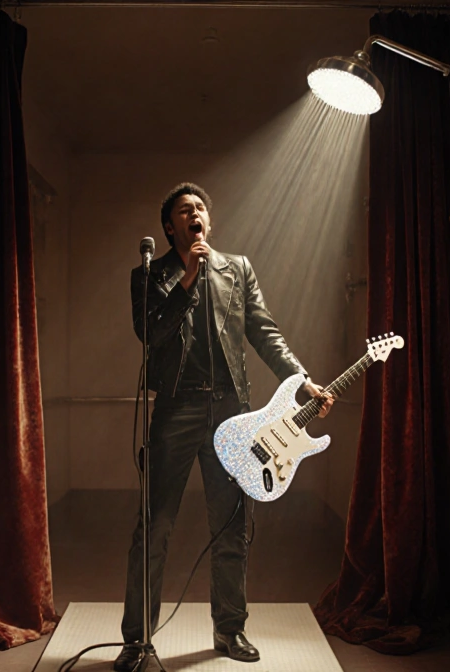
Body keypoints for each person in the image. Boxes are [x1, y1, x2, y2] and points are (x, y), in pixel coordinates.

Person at [114, 183, 333, 671]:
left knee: (232, 527)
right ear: (170, 228)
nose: (194, 215)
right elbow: (149, 333)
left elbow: (264, 330)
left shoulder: (238, 269)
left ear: (208, 221)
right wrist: (188, 279)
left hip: (233, 412)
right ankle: (136, 641)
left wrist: (302, 381)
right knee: (154, 527)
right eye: (182, 211)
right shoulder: (152, 274)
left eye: (200, 209)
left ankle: (230, 629)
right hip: (175, 410)